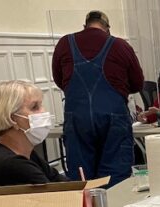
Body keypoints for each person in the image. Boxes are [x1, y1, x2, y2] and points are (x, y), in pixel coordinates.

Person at [52, 10, 144, 186]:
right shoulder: (120, 46)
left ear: (85, 26)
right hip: (114, 120)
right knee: (114, 180)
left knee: (82, 181)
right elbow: (137, 84)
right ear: (107, 29)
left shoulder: (65, 43)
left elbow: (59, 80)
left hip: (78, 120)